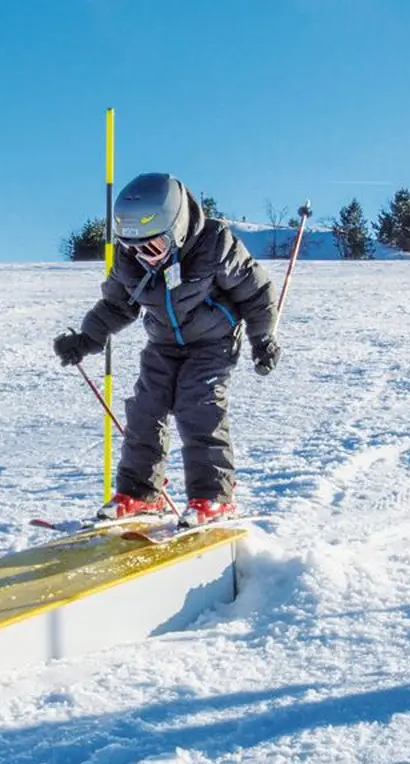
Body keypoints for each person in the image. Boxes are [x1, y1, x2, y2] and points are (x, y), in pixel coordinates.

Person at [53, 173, 280, 528]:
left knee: (198, 405)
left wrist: (262, 339)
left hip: (212, 342)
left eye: (151, 246)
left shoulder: (215, 244)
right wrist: (85, 340)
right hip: (163, 344)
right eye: (133, 247)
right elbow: (117, 306)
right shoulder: (132, 262)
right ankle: (140, 495)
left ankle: (213, 497)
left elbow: (255, 292)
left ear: (176, 229)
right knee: (146, 409)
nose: (142, 255)